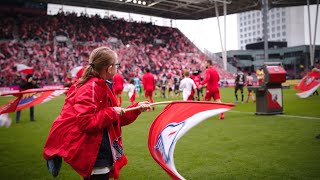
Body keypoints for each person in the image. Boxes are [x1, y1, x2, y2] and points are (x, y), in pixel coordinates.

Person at [43, 46, 151, 180]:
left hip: (101, 150)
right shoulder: (91, 87)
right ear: (109, 68)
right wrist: (112, 112)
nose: (118, 68)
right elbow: (86, 123)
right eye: (117, 65)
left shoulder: (103, 85)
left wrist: (136, 109)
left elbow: (115, 119)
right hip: (94, 151)